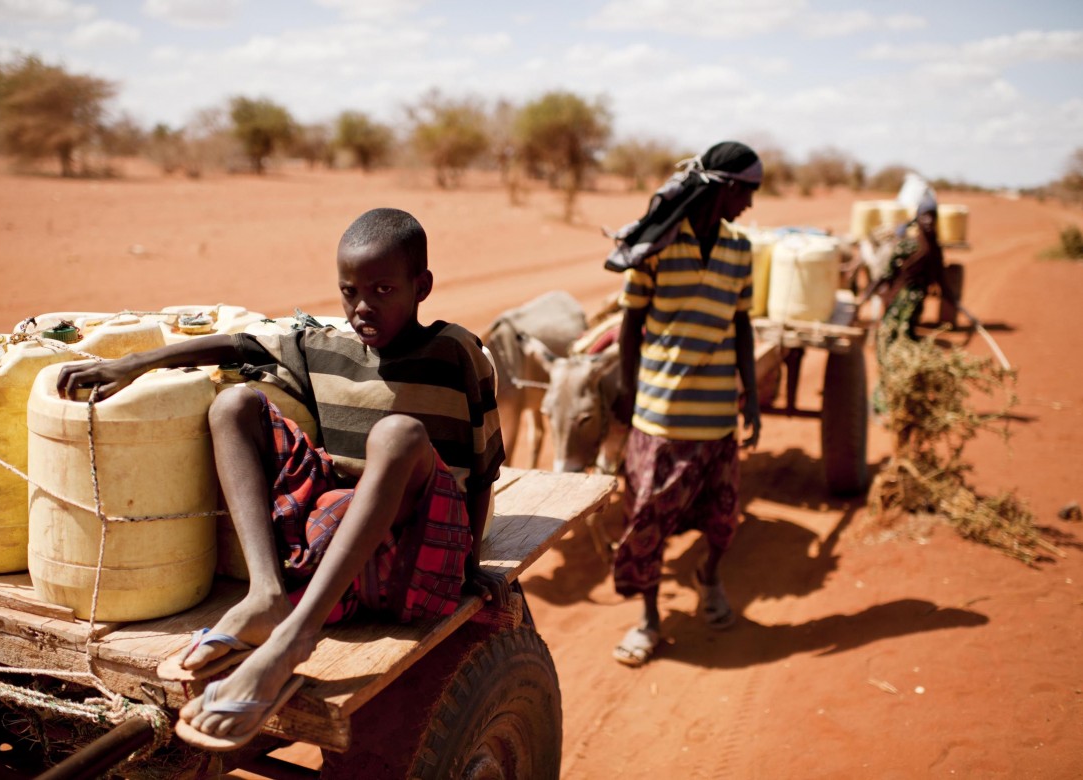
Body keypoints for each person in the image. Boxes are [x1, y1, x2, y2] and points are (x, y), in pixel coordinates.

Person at [56, 207, 507, 750]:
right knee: (234, 404)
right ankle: (268, 594)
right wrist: (133, 363)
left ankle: (293, 639)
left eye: (383, 289)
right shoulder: (329, 345)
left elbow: (483, 469)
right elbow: (239, 346)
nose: (363, 307)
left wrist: (471, 563)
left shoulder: (456, 352)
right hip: (337, 546)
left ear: (422, 286)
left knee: (398, 436)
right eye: (350, 291)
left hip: (420, 555)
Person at [606, 141, 763, 667]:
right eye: (748, 192)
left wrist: (753, 396)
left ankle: (709, 577)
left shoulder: (741, 249)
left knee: (723, 518)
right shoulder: (657, 245)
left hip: (719, 414)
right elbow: (631, 322)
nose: (750, 205)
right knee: (648, 520)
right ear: (726, 188)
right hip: (661, 414)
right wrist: (628, 392)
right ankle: (649, 619)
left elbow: (741, 325)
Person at [860, 190, 956, 416]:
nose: (929, 221)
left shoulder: (934, 250)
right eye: (925, 217)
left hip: (912, 313)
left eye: (932, 217)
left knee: (905, 354)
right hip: (895, 309)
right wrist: (865, 297)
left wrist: (954, 301)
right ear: (917, 219)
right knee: (887, 353)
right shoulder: (908, 247)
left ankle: (901, 400)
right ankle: (882, 403)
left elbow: (941, 280)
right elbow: (884, 275)